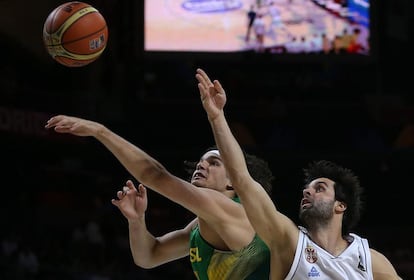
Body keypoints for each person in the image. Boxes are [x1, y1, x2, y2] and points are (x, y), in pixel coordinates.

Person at [195, 68, 403, 280]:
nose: (307, 192)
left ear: (340, 205)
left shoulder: (370, 260)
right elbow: (241, 179)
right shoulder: (288, 241)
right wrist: (217, 117)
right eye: (307, 189)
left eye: (319, 188)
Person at [44, 116, 275, 279]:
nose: (201, 165)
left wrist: (100, 131)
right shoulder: (201, 225)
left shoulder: (234, 211)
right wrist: (136, 221)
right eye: (201, 161)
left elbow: (155, 176)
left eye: (214, 163)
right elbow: (149, 256)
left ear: (232, 181)